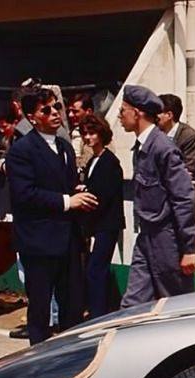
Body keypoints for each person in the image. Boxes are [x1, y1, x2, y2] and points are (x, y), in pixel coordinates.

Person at [5, 88, 97, 344]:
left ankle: (69, 353)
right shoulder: (22, 150)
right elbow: (25, 194)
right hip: (39, 241)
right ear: (32, 117)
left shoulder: (65, 146)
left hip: (68, 240)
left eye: (56, 107)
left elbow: (64, 184)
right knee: (40, 307)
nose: (55, 113)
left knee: (72, 305)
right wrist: (68, 201)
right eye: (46, 110)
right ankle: (39, 356)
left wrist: (78, 191)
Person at [117, 85, 195, 307]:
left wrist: (189, 249)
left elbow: (183, 198)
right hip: (147, 237)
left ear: (137, 113)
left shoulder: (163, 148)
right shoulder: (141, 147)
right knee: (133, 303)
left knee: (176, 304)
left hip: (167, 241)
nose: (120, 116)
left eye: (123, 110)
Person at [158, 93, 195, 288]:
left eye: (158, 112)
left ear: (169, 115)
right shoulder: (158, 136)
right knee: (193, 251)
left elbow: (189, 171)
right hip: (174, 205)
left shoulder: (188, 136)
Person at [78, 113, 125, 319]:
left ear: (101, 134)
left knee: (96, 270)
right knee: (95, 269)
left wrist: (86, 192)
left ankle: (99, 314)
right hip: (98, 224)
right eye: (85, 134)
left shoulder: (109, 161)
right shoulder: (94, 160)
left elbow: (104, 194)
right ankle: (97, 310)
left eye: (92, 133)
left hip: (107, 223)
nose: (88, 137)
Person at [67, 92, 95, 170]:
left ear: (88, 111)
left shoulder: (98, 134)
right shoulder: (71, 132)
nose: (70, 115)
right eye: (69, 111)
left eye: (75, 111)